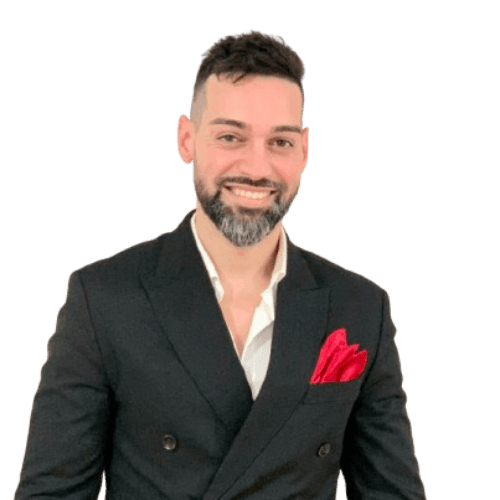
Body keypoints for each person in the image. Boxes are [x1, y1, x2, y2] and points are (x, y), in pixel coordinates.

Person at [14, 30, 427, 499]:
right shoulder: (104, 299)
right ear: (186, 140)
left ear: (304, 150)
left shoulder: (361, 308)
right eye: (231, 136)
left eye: (280, 142)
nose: (257, 167)